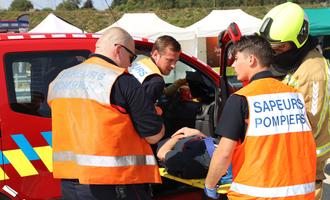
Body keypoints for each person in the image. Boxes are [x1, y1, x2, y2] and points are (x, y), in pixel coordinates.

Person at [47, 27, 165, 200]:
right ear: (118, 50)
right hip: (116, 183)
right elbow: (153, 135)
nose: (131, 64)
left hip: (70, 182)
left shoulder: (60, 79)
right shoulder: (122, 80)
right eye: (131, 57)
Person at [201, 35, 316, 199]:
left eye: (236, 59)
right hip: (301, 194)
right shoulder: (295, 96)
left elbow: (224, 153)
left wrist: (209, 187)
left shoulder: (242, 99)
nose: (233, 65)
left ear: (251, 60)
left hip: (255, 195)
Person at [259, 2, 330, 197]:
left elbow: (310, 121)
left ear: (298, 40)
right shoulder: (297, 64)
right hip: (296, 162)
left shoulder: (313, 72)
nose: (274, 54)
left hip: (309, 165)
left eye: (279, 48)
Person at [157, 127, 232, 183]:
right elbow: (213, 146)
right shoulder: (223, 148)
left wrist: (177, 138)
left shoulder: (191, 162)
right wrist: (198, 133)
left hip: (166, 145)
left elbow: (161, 153)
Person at [129, 35, 186, 107]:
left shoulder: (142, 63)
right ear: (155, 55)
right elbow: (145, 115)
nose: (173, 66)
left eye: (176, 61)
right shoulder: (155, 81)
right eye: (169, 60)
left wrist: (177, 84)